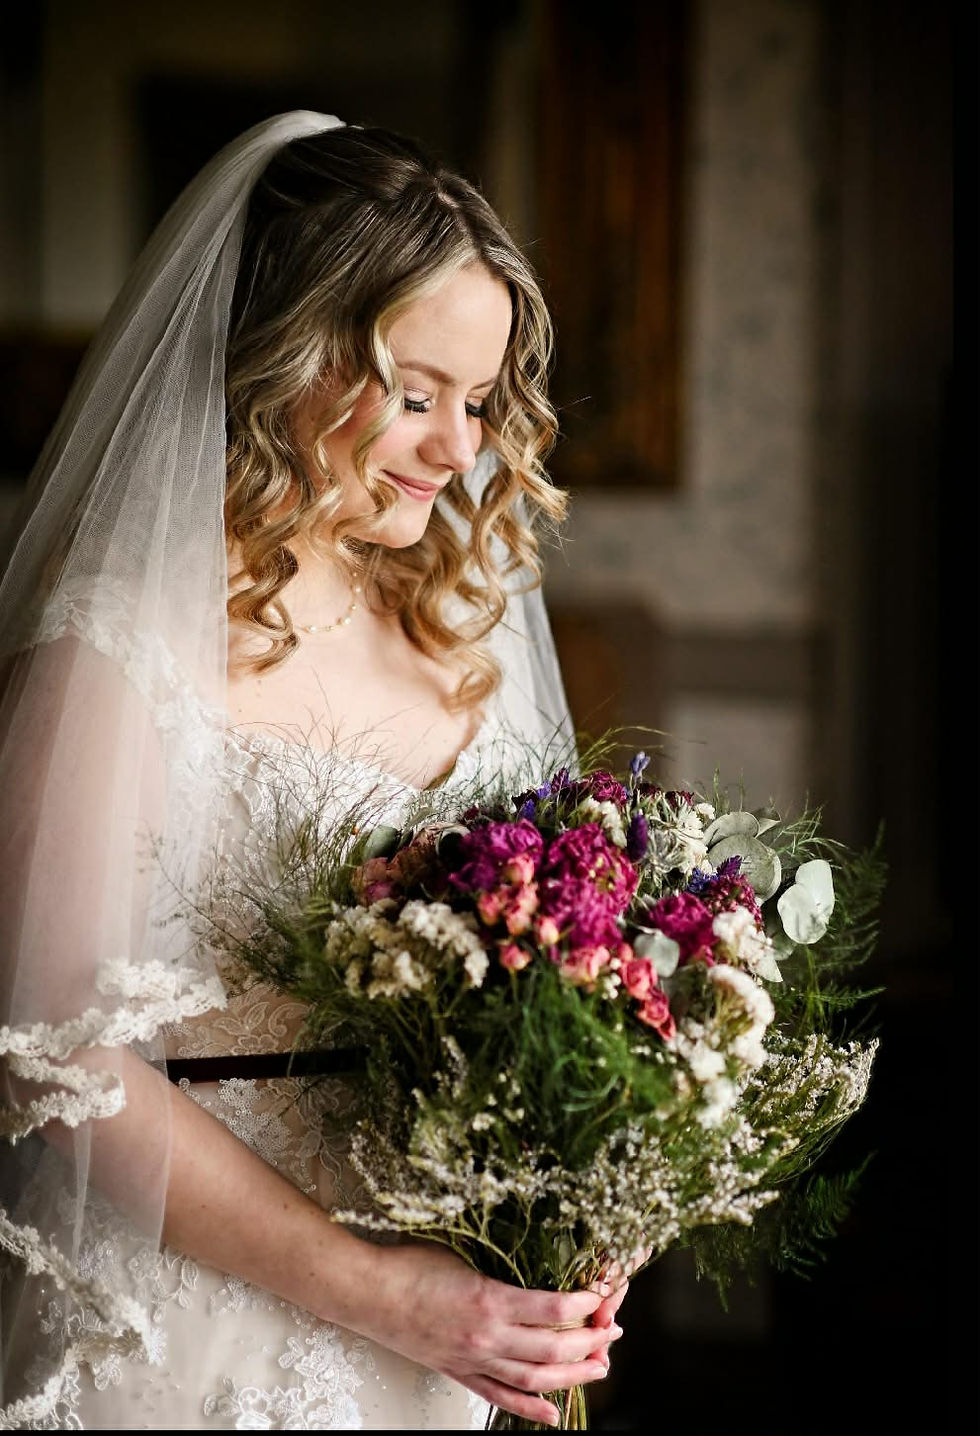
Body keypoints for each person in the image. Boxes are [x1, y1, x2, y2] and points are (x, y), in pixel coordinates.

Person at [0, 113, 628, 1430]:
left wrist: (580, 1207)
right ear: (287, 355)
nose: (460, 451)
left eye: (478, 402)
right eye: (416, 394)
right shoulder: (119, 645)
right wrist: (383, 1295)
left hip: (448, 1348)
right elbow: (56, 1058)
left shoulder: (456, 628)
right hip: (193, 1339)